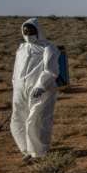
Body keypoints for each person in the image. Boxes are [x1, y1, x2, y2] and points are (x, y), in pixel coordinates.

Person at [11, 18, 60, 160]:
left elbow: (50, 70)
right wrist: (15, 84)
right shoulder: (22, 48)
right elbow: (16, 69)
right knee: (19, 118)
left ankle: (39, 152)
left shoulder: (48, 48)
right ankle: (26, 149)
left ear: (38, 31)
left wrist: (40, 85)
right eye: (25, 31)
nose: (28, 34)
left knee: (37, 119)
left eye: (31, 31)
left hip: (41, 91)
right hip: (20, 90)